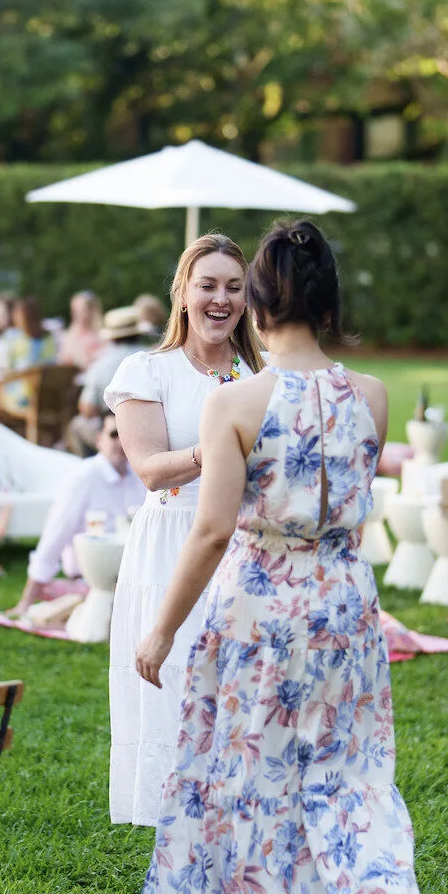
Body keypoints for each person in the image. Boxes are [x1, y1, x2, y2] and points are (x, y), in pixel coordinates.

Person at [123, 219, 425, 894]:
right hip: (345, 611)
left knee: (246, 787)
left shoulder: (236, 400)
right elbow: (351, 509)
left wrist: (158, 632)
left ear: (256, 305)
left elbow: (213, 530)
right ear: (327, 306)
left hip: (258, 610)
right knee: (344, 784)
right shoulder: (372, 395)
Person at [104, 233, 263, 826]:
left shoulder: (260, 375)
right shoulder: (147, 370)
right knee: (174, 698)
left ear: (248, 300)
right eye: (208, 286)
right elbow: (148, 469)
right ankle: (181, 844)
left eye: (233, 288)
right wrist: (217, 448)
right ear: (183, 293)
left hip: (241, 546)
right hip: (170, 544)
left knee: (239, 702)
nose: (220, 300)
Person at [11, 418, 146, 614]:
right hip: (90, 578)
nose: (121, 442)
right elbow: (54, 536)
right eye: (114, 434)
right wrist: (26, 603)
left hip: (133, 576)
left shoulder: (140, 476)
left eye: (128, 435)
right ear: (99, 440)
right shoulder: (83, 478)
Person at [68, 304, 157, 455]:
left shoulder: (100, 364)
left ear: (112, 337)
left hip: (117, 433)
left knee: (76, 426)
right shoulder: (154, 357)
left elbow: (87, 409)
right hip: (153, 428)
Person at [56, 290, 107, 369]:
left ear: (92, 310)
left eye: (82, 310)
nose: (78, 314)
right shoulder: (69, 336)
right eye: (75, 310)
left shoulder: (102, 334)